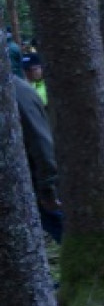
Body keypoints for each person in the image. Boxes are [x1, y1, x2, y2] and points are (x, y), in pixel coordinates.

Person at [13, 75, 63, 243]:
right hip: (25, 179)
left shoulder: (14, 91)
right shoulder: (15, 87)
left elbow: (40, 140)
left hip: (32, 179)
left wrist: (48, 186)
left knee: (59, 223)